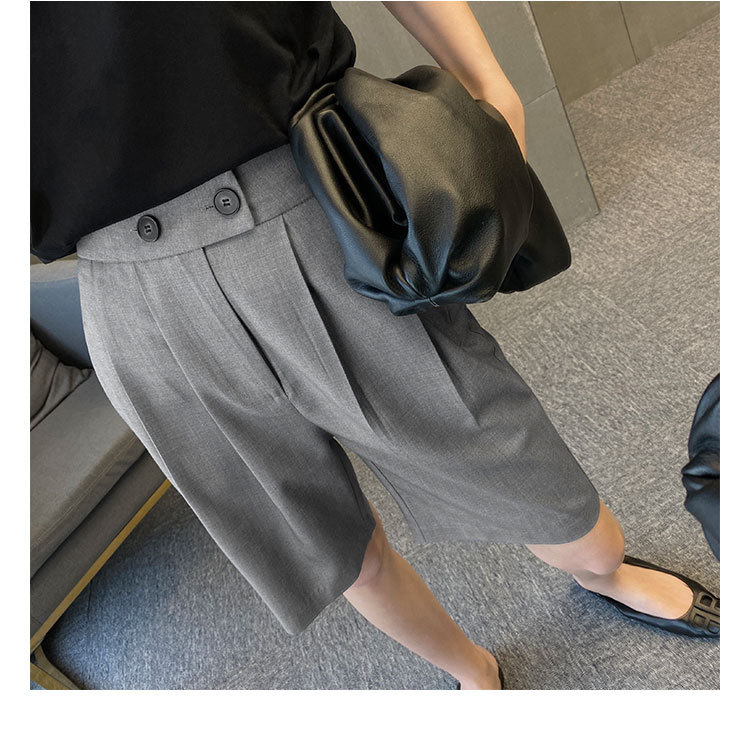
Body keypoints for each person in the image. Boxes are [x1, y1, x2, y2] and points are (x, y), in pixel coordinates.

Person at [31, 1, 719, 690]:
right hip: (130, 298)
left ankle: (604, 571)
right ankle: (470, 672)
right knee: (336, 549)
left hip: (313, 201)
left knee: (510, 457)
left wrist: (484, 76)